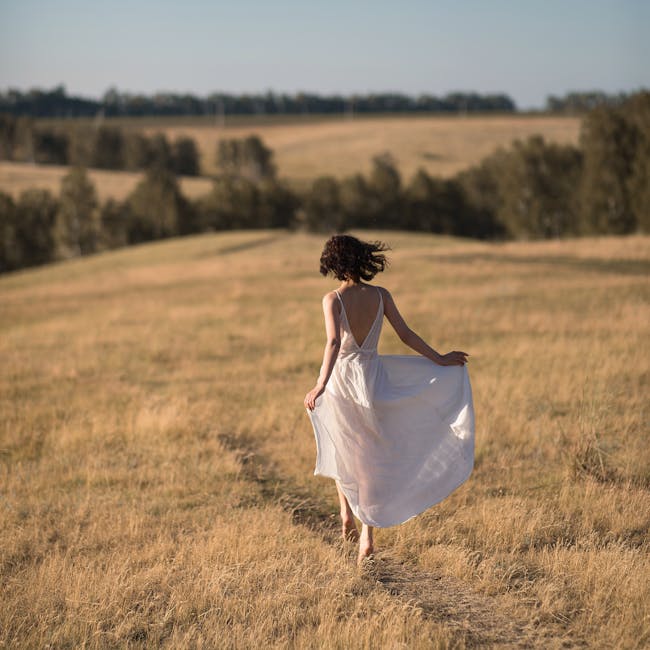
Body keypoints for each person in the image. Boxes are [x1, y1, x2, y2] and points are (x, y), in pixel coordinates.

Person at [304, 235, 475, 566]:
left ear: (335, 263)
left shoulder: (333, 300)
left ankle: (346, 513)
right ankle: (367, 533)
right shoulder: (381, 296)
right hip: (374, 380)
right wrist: (440, 359)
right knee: (371, 458)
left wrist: (319, 385)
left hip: (343, 382)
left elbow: (334, 343)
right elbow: (407, 335)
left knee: (343, 448)